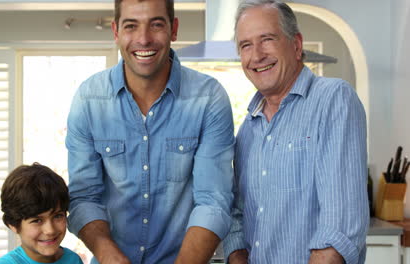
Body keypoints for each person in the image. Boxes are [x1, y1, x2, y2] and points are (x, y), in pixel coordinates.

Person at [65, 0, 235, 263]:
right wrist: (108, 253)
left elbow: (213, 201)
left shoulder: (208, 98)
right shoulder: (89, 99)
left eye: (156, 24)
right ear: (116, 32)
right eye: (131, 26)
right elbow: (84, 197)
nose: (143, 39)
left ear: (173, 29)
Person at [223, 1, 369, 263]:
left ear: (296, 44)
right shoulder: (248, 129)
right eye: (245, 45)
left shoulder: (333, 99)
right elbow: (238, 216)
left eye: (266, 39)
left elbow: (337, 233)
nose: (256, 56)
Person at [0, 162, 83, 264]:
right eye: (37, 220)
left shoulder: (74, 260)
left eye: (57, 216)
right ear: (13, 224)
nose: (50, 230)